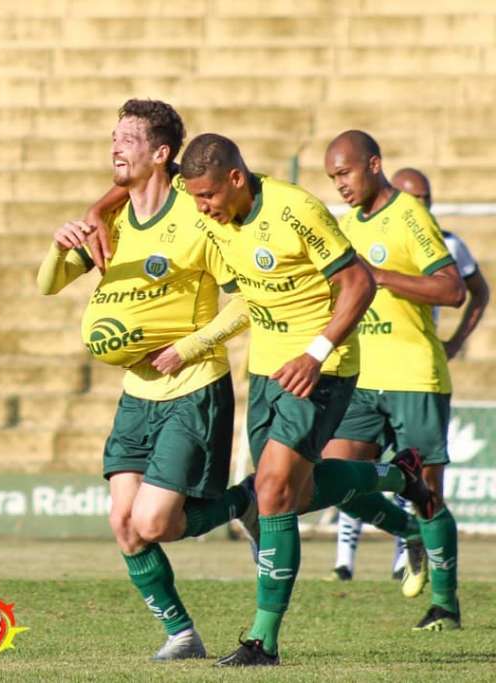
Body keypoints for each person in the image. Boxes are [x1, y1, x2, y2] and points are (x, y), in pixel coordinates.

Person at [172, 133, 433, 666]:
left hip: (322, 367)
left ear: (236, 179)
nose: (201, 207)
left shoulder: (296, 210)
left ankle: (263, 640)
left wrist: (315, 353)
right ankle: (399, 480)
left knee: (271, 491)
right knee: (293, 491)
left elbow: (359, 283)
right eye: (195, 198)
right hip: (267, 371)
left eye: (207, 197)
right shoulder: (211, 214)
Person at [39, 99, 257, 661]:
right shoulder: (108, 220)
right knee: (124, 523)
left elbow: (249, 299)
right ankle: (181, 634)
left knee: (154, 522)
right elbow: (47, 284)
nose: (115, 147)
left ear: (161, 153)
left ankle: (244, 503)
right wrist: (61, 242)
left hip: (192, 386)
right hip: (136, 394)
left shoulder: (197, 213)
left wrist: (190, 346)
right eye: (113, 137)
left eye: (128, 139)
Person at [324, 134, 467, 631]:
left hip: (413, 376)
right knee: (333, 479)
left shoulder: (410, 216)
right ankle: (405, 529)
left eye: (345, 173)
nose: (339, 185)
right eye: (332, 178)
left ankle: (445, 607)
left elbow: (454, 289)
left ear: (374, 164)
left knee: (429, 494)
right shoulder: (343, 227)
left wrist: (380, 276)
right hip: (362, 377)